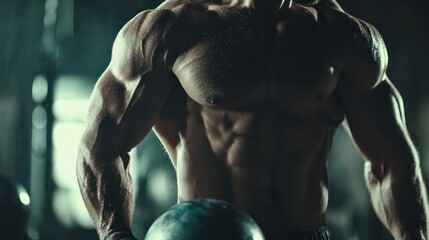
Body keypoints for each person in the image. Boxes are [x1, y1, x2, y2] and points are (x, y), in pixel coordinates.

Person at [76, 0, 429, 239]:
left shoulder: (342, 36)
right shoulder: (172, 28)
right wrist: (115, 232)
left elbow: (391, 160)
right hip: (206, 234)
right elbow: (102, 143)